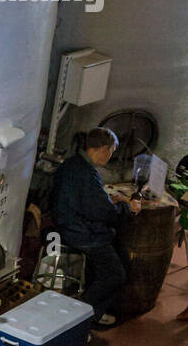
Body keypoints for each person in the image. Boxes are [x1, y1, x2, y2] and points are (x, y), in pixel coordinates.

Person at [51, 126, 142, 329]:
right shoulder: (85, 173)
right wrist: (128, 208)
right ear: (102, 149)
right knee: (115, 275)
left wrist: (109, 200)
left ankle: (96, 311)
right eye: (111, 151)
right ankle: (77, 316)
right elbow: (103, 213)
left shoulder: (73, 164)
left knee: (120, 257)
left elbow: (90, 202)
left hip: (69, 225)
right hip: (81, 233)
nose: (110, 156)